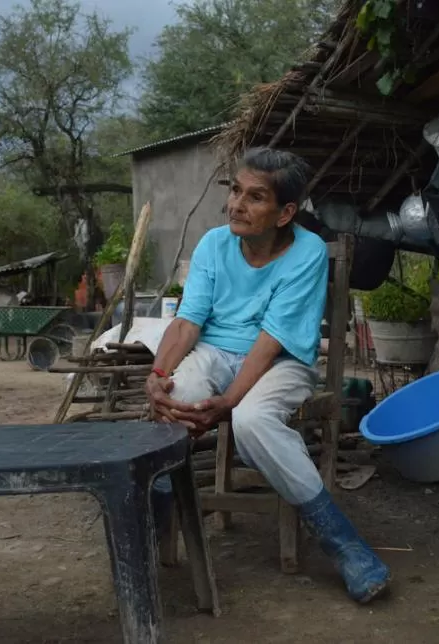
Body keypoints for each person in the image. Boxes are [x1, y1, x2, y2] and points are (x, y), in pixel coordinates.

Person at [145, 147, 390, 604]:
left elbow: (271, 339)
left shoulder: (308, 252)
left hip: (281, 362)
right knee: (176, 401)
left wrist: (231, 399)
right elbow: (187, 320)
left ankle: (345, 545)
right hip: (214, 351)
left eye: (255, 197)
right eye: (236, 191)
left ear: (286, 213)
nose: (237, 205)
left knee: (252, 421)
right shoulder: (214, 244)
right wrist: (158, 374)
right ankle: (151, 527)